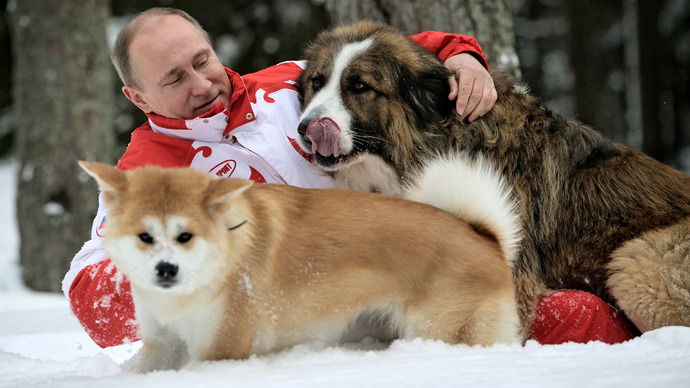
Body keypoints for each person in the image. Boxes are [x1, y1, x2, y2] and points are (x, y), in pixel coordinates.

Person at [62, 7, 638, 348]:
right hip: (332, 316)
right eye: (174, 79)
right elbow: (92, 289)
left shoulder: (287, 83)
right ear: (136, 97)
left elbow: (397, 54)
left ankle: (652, 343)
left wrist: (462, 55)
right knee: (561, 322)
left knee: (583, 303)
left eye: (203, 60)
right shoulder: (147, 170)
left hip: (422, 260)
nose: (203, 83)